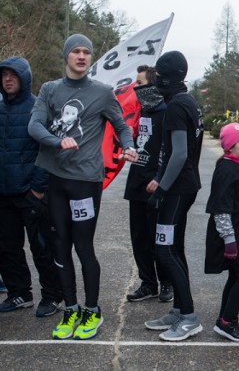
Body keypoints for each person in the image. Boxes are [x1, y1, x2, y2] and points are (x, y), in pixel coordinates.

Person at [28, 34, 138, 340]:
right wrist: (56, 140)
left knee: (83, 246)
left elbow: (120, 125)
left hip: (86, 182)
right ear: (67, 56)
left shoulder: (102, 92)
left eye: (86, 52)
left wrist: (128, 145)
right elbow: (34, 126)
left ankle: (92, 310)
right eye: (76, 51)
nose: (81, 56)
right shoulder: (50, 90)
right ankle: (71, 309)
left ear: (90, 58)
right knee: (59, 245)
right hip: (57, 180)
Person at [143, 51, 204, 341]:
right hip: (181, 185)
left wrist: (163, 188)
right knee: (175, 249)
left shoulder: (178, 106)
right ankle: (179, 310)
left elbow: (179, 153)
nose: (156, 81)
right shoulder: (186, 101)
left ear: (168, 77)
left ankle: (190, 317)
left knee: (164, 250)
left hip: (178, 189)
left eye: (159, 76)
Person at [0, 56, 62, 317]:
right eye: (3, 75)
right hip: (3, 194)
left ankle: (52, 296)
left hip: (31, 193)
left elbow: (48, 148)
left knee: (42, 248)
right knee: (7, 248)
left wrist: (37, 188)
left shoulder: (38, 107)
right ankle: (19, 293)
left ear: (24, 78)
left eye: (13, 75)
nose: (7, 79)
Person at [204, 122, 239, 342]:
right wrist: (229, 240)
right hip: (231, 235)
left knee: (237, 276)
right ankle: (226, 322)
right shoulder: (226, 169)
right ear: (229, 146)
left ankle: (227, 319)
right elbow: (220, 209)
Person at [123, 65, 173, 303]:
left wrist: (160, 178)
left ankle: (166, 282)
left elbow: (169, 150)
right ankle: (148, 283)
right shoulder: (140, 112)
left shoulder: (166, 112)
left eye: (140, 83)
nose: (136, 87)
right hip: (136, 181)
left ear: (153, 85)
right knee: (139, 237)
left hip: (155, 184)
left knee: (157, 237)